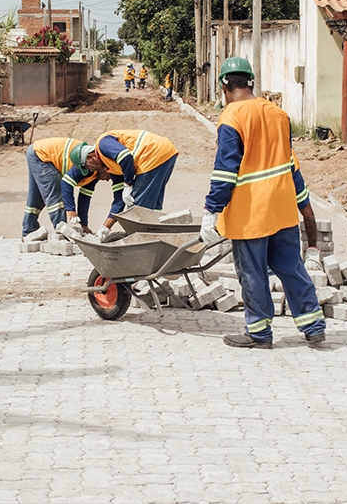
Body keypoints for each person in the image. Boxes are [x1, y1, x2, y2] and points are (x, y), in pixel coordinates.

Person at [201, 57, 326, 349]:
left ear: (224, 86)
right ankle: (313, 325)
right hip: (282, 208)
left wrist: (211, 210)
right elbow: (288, 163)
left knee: (252, 272)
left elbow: (225, 169)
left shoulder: (232, 117)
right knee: (291, 267)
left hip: (251, 214)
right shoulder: (278, 114)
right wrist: (303, 203)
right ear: (251, 82)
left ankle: (258, 333)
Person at [69, 130, 178, 241]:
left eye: (87, 167)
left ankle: (136, 242)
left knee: (136, 208)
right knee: (153, 205)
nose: (91, 170)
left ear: (90, 157)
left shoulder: (102, 144)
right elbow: (119, 200)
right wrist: (106, 227)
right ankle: (155, 237)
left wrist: (128, 183)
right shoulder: (113, 168)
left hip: (151, 153)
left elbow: (125, 156)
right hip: (166, 153)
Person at [23, 137, 97, 237]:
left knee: (36, 198)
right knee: (55, 197)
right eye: (109, 175)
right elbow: (66, 184)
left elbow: (84, 199)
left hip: (37, 152)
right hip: (42, 155)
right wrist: (71, 210)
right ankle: (62, 234)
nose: (107, 179)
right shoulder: (85, 164)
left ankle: (28, 232)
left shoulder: (93, 171)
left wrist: (83, 225)